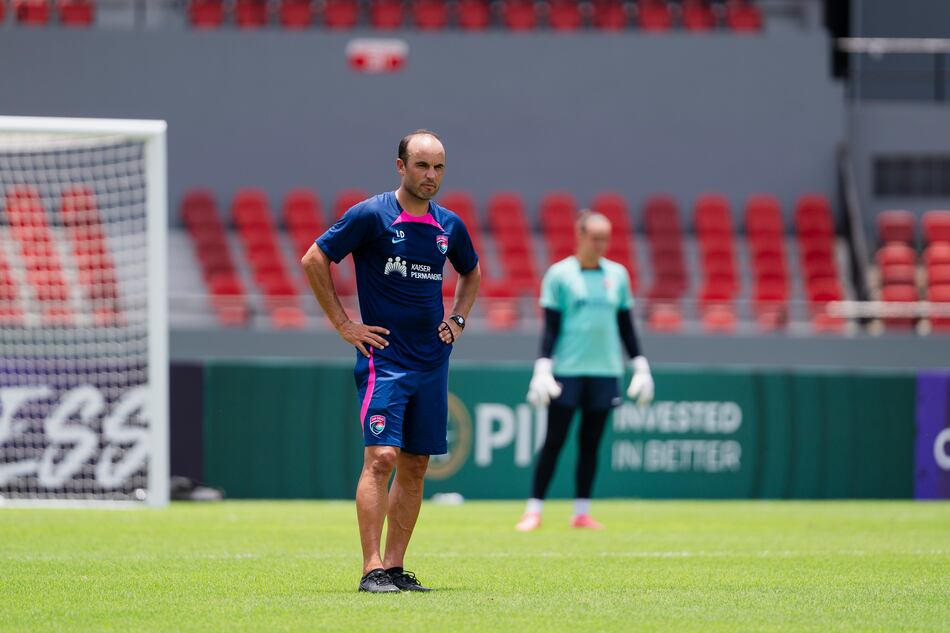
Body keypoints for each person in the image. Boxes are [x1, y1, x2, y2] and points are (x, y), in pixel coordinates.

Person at [301, 130, 480, 592]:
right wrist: (344, 324)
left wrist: (457, 320)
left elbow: (472, 271)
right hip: (386, 361)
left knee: (417, 465)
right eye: (422, 166)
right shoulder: (371, 215)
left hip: (432, 361)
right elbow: (315, 258)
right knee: (381, 458)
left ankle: (396, 568)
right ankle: (371, 568)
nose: (431, 176)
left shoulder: (449, 226)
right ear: (400, 166)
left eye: (439, 167)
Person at [516, 210, 654, 532]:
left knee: (591, 443)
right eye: (595, 238)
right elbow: (550, 328)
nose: (601, 244)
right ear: (580, 236)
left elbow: (625, 325)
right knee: (555, 441)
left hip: (606, 372)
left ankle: (581, 511)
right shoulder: (560, 275)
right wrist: (543, 368)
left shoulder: (618, 275)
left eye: (606, 238)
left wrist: (641, 365)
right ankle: (534, 510)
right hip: (568, 371)